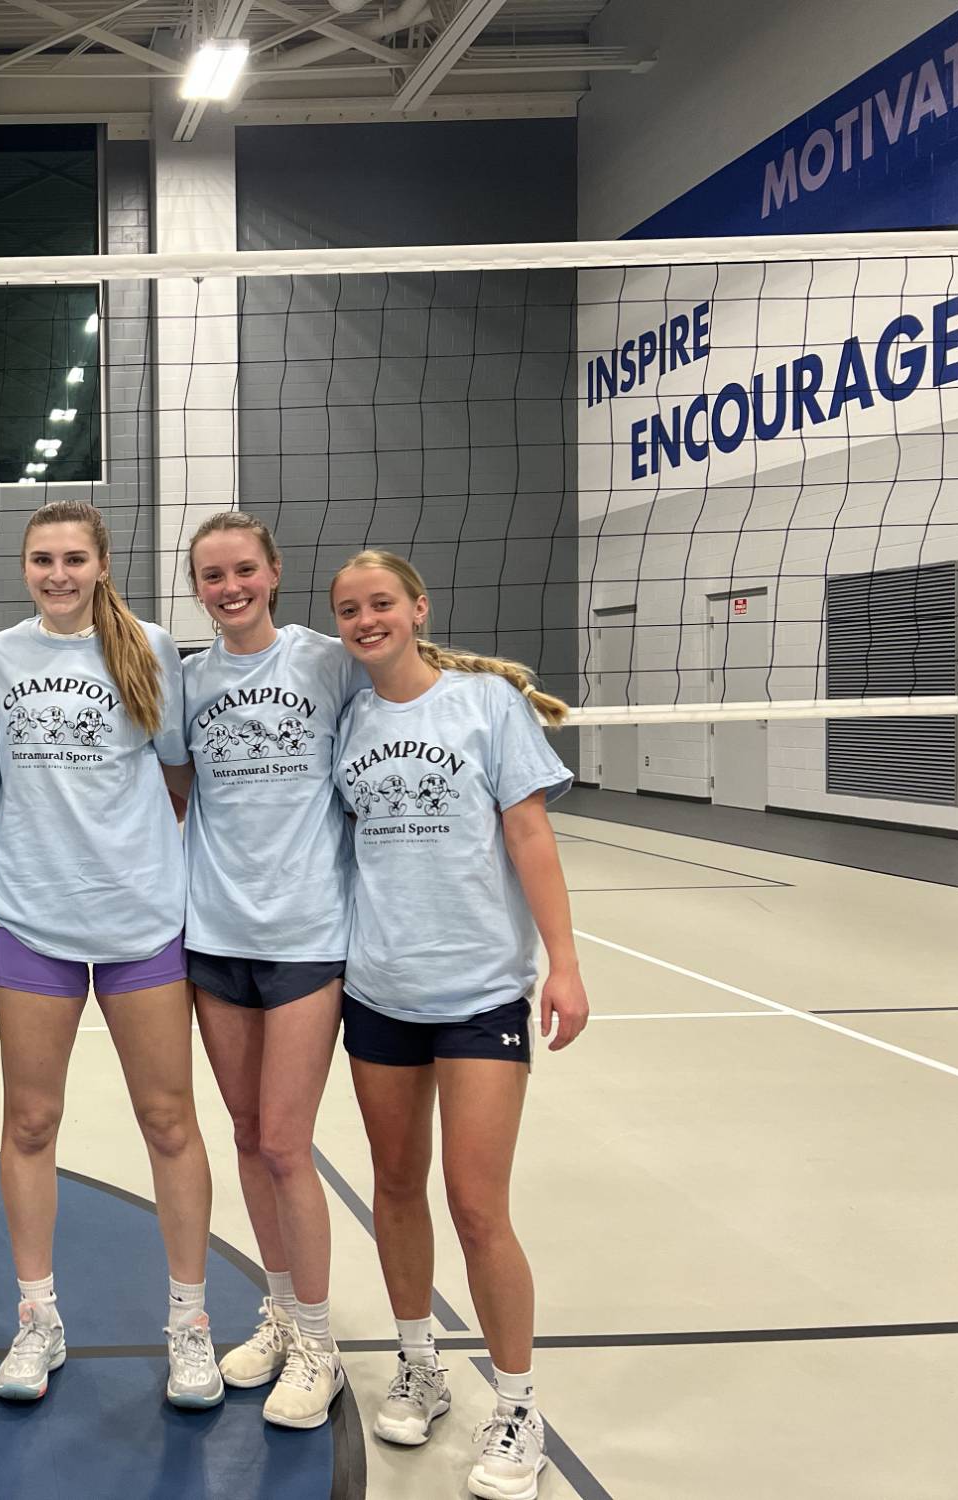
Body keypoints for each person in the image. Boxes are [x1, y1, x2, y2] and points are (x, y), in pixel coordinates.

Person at [328, 548, 589, 1500]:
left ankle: (517, 1403)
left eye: (382, 602)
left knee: (477, 1207)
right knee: (395, 1185)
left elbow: (530, 835)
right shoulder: (346, 715)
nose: (366, 620)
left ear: (418, 605)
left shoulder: (486, 708)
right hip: (379, 988)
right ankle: (418, 1364)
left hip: (480, 993)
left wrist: (563, 962)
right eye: (350, 609)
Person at [0, 499, 220, 1410]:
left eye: (74, 558)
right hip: (33, 919)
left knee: (168, 1120)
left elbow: (176, 772)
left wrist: (127, 853)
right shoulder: (1, 657)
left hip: (140, 921)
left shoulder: (152, 649)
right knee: (31, 1123)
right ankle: (38, 1317)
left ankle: (190, 1323)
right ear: (26, 566)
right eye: (42, 559)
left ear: (103, 565)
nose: (58, 574)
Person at [176, 512, 363, 1429]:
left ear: (274, 572)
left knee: (289, 1143)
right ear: (197, 587)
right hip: (214, 939)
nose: (230, 587)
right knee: (248, 1134)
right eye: (212, 576)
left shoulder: (326, 662)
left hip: (305, 937)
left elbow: (414, 681)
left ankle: (322, 1343)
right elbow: (175, 793)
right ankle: (283, 1311)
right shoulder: (189, 681)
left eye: (243, 569)